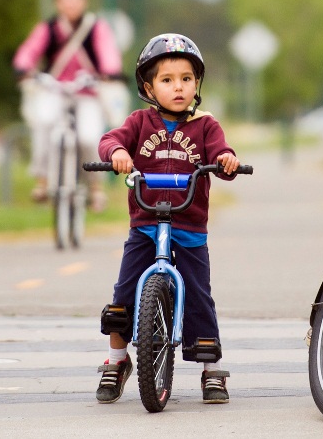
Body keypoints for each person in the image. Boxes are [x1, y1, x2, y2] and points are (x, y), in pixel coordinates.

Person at [94, 33, 240, 405]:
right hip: (145, 225)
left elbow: (222, 155)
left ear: (197, 84)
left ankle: (211, 370)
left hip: (188, 226)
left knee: (198, 298)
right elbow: (110, 140)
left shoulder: (206, 126)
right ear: (149, 86)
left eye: (186, 79)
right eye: (167, 80)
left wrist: (226, 161)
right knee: (124, 295)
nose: (178, 87)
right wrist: (117, 154)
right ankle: (116, 360)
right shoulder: (139, 122)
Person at [13, 0, 122, 209]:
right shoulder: (49, 28)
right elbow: (29, 51)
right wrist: (23, 67)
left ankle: (95, 186)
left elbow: (108, 54)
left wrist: (109, 71)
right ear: (57, 1)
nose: (70, 2)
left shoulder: (96, 28)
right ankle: (42, 179)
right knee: (43, 121)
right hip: (55, 90)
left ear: (84, 0)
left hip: (87, 92)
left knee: (88, 136)